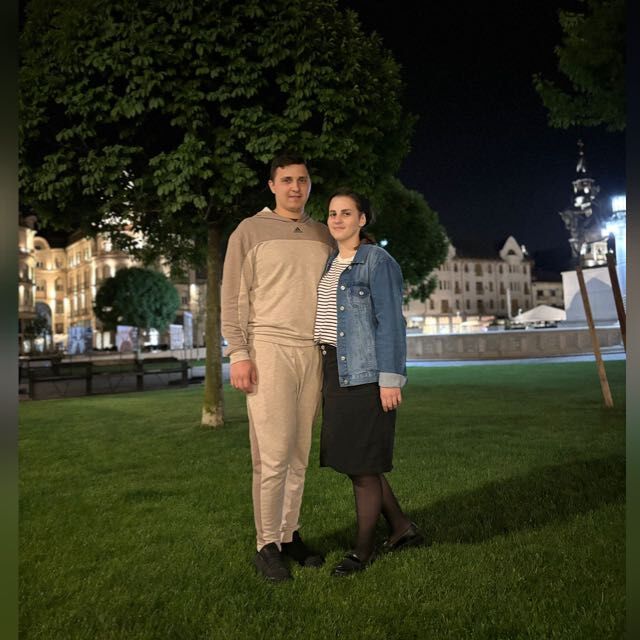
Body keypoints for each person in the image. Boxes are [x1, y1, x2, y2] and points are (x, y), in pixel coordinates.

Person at [221, 152, 335, 582]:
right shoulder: (249, 231)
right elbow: (234, 295)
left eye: (302, 180)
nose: (295, 187)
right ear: (272, 185)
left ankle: (289, 535)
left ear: (309, 184)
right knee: (272, 455)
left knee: (299, 453)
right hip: (268, 348)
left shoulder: (322, 234)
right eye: (286, 180)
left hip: (312, 350)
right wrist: (239, 353)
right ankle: (265, 544)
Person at [314, 188, 425, 577]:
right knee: (356, 461)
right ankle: (401, 527)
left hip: (366, 373)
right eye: (332, 213)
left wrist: (390, 379)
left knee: (362, 466)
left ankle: (362, 552)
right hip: (334, 370)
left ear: (362, 219)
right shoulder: (331, 262)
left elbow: (391, 322)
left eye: (346, 213)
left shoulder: (377, 261)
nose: (337, 219)